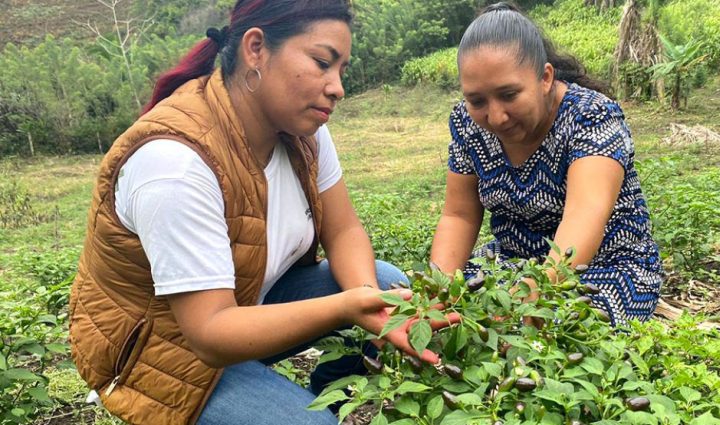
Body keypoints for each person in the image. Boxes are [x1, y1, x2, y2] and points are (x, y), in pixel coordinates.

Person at [68, 1, 458, 424]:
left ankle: (322, 399)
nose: (337, 87)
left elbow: (343, 230)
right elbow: (211, 333)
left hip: (247, 303)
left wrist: (370, 304)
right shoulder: (175, 163)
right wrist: (346, 307)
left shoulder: (303, 131)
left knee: (384, 284)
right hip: (165, 349)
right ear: (256, 49)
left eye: (341, 70)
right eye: (322, 62)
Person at [430, 2, 662, 326]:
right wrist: (439, 292)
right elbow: (459, 215)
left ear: (545, 78)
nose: (495, 117)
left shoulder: (589, 117)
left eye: (509, 94)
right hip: (512, 263)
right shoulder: (468, 126)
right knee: (461, 311)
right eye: (477, 101)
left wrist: (539, 290)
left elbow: (585, 214)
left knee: (569, 325)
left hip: (603, 265)